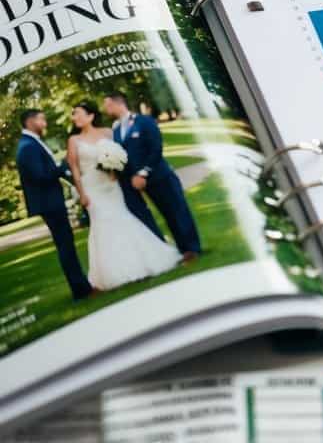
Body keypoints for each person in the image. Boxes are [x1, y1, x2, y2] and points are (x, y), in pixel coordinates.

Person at [66, 101, 180, 291]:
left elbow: (121, 157)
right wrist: (81, 193)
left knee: (122, 218)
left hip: (111, 186)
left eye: (77, 113)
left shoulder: (108, 133)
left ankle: (140, 263)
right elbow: (75, 169)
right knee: (102, 224)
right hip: (92, 189)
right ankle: (112, 273)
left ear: (90, 116)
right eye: (73, 114)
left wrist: (113, 168)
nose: (74, 117)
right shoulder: (74, 140)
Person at [103, 92, 201, 261]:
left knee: (177, 211)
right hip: (140, 182)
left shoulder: (144, 121)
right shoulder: (117, 130)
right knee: (166, 214)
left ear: (118, 103)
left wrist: (143, 173)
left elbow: (156, 148)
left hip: (160, 176)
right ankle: (182, 250)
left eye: (108, 104)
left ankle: (192, 248)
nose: (106, 108)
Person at [15, 109, 92, 302]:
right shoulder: (28, 147)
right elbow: (40, 176)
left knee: (66, 243)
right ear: (30, 121)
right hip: (49, 203)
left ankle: (81, 286)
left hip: (50, 202)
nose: (45, 122)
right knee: (65, 245)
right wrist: (63, 167)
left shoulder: (31, 143)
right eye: (41, 119)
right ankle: (81, 290)